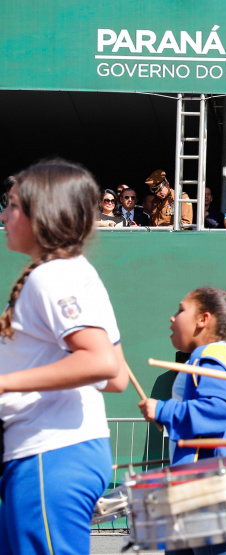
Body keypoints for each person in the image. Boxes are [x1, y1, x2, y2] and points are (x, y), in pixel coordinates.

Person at [0, 159, 129, 555]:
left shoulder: (52, 276)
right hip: (65, 453)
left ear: (43, 215)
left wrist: (4, 382)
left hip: (48, 455)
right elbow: (117, 377)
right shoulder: (76, 272)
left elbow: (102, 364)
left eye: (12, 205)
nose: (4, 214)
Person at [138, 287, 226, 463]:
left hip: (208, 475)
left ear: (203, 319)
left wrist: (163, 410)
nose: (173, 317)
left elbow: (223, 408)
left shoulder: (209, 358)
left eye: (181, 310)